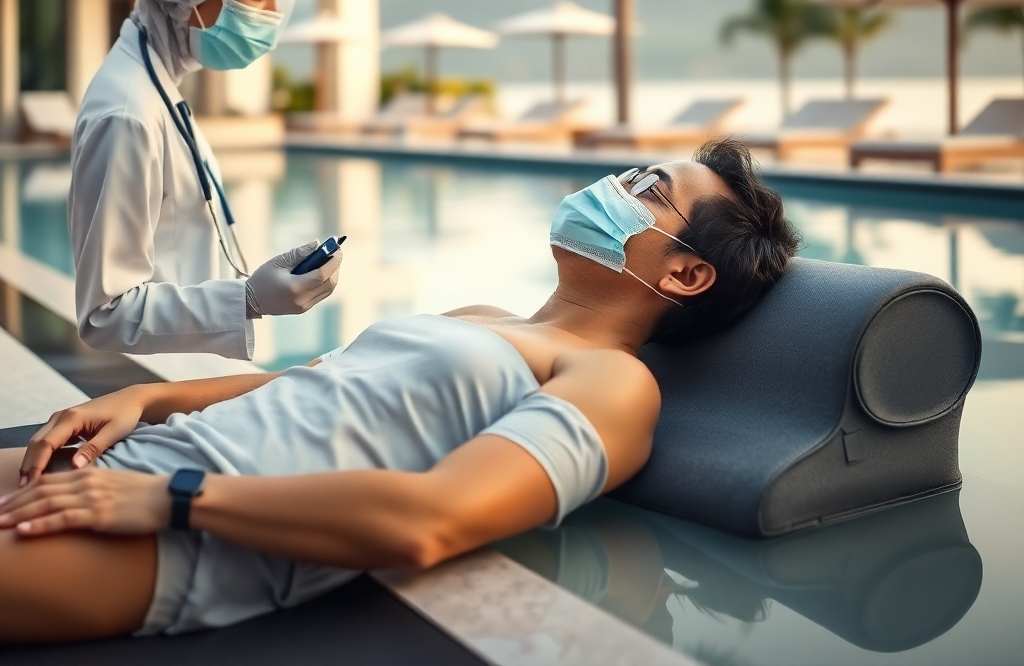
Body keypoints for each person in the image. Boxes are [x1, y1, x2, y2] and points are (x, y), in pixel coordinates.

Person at [0, 141, 799, 644]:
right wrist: (146, 402)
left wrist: (174, 500)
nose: (611, 188)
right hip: (144, 460)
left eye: (648, 190)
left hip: (186, 534)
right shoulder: (486, 317)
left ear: (686, 272)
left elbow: (430, 519)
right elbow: (306, 383)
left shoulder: (613, 383)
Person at [69, 0, 343, 360]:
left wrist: (258, 288)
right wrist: (249, 301)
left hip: (189, 376)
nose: (273, 17)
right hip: (156, 391)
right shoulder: (127, 114)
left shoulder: (160, 83)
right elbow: (105, 314)